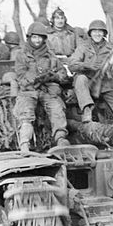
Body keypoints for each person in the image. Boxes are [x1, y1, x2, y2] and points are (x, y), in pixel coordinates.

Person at [67, 19, 113, 129]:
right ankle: (86, 111)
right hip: (87, 82)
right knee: (80, 79)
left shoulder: (112, 48)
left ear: (104, 33)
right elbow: (72, 64)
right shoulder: (83, 47)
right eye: (95, 31)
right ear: (90, 33)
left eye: (100, 31)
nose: (97, 34)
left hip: (106, 83)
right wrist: (88, 65)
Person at [14, 21, 70, 152]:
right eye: (34, 37)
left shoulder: (51, 56)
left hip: (47, 90)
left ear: (44, 39)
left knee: (57, 108)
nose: (37, 40)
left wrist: (53, 77)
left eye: (39, 37)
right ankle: (25, 143)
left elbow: (63, 74)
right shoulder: (22, 55)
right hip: (29, 91)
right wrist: (34, 77)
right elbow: (20, 77)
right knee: (26, 113)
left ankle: (60, 139)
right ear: (29, 38)